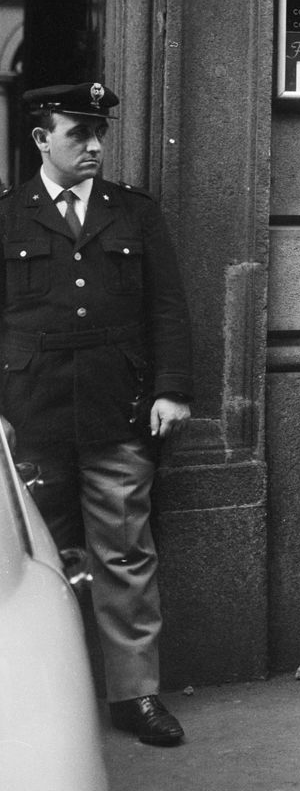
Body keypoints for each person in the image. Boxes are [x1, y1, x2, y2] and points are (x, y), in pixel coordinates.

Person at [0, 82, 192, 745]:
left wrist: (171, 389)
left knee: (126, 555)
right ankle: (37, 701)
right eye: (78, 132)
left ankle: (134, 696)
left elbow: (167, 308)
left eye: (99, 132)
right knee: (29, 567)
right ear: (39, 139)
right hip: (31, 415)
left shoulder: (134, 214)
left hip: (118, 409)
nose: (94, 145)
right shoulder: (8, 218)